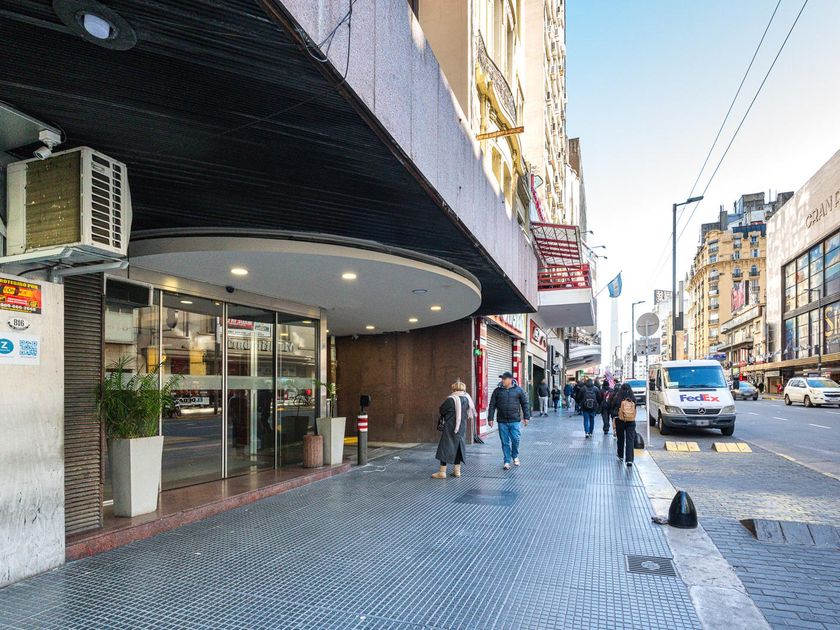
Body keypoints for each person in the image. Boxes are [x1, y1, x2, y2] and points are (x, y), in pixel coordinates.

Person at [488, 371, 531, 470]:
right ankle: (507, 461)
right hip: (502, 421)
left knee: (516, 439)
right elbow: (492, 405)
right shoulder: (497, 391)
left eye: (504, 379)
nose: (502, 380)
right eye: (502, 379)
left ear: (510, 379)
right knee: (505, 442)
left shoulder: (518, 390)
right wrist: (490, 418)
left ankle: (515, 455)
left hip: (515, 420)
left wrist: (526, 417)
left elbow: (525, 404)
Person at [432, 379, 475, 478]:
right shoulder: (467, 399)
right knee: (458, 447)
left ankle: (442, 472)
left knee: (445, 447)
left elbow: (442, 410)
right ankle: (457, 471)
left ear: (454, 389)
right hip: (462, 427)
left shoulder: (451, 399)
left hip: (450, 426)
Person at [611, 382, 638, 467]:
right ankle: (629, 460)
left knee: (620, 438)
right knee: (630, 439)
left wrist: (613, 417)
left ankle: (620, 455)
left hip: (620, 420)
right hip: (631, 421)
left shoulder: (617, 397)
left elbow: (613, 407)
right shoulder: (632, 398)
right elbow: (635, 407)